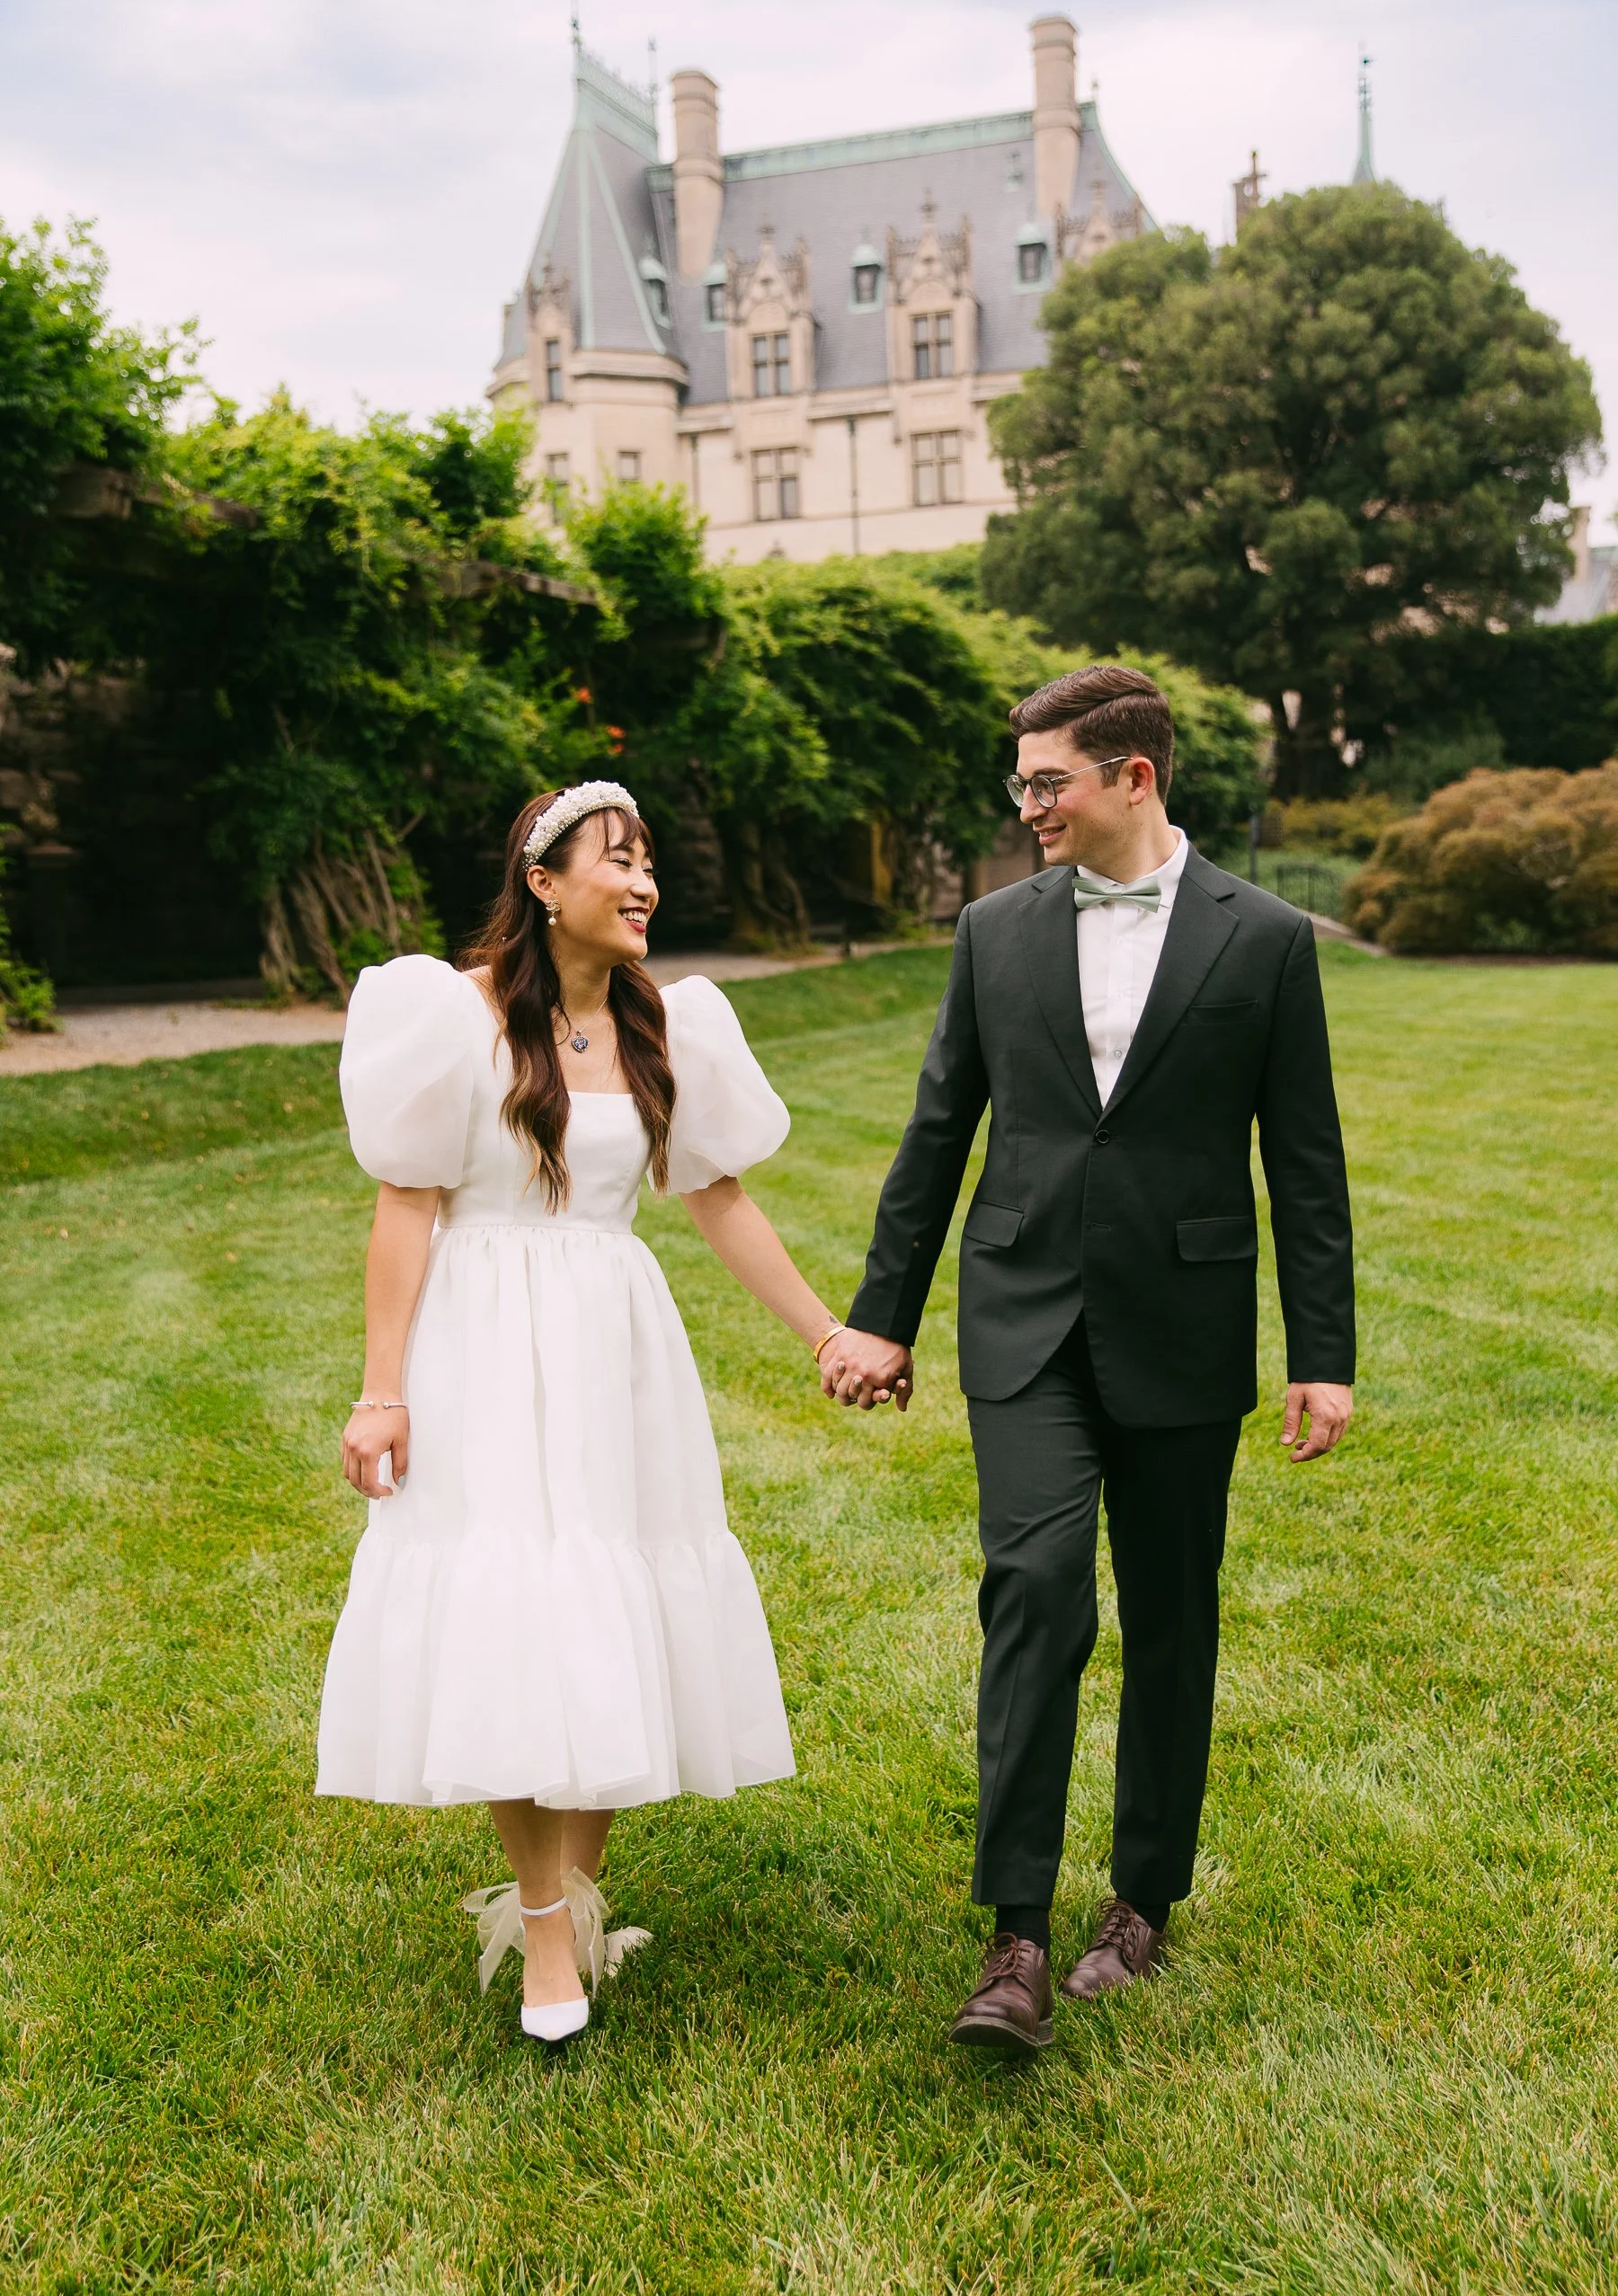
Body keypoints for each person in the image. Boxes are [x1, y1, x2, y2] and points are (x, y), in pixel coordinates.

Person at [825, 666, 1355, 2052]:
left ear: (1134, 776)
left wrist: (1324, 1351)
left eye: (1047, 780)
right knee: (1040, 1588)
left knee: (1173, 1615)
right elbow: (940, 1127)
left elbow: (1304, 1162)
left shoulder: (1265, 939)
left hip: (1183, 1325)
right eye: (1021, 782)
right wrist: (884, 1312)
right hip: (1025, 1314)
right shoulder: (994, 930)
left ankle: (1142, 1902)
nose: (1027, 805)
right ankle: (1015, 1939)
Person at [316, 781, 851, 2047]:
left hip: (617, 1350)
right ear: (543, 885)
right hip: (485, 1345)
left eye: (652, 860)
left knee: (611, 1607)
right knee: (517, 1611)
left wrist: (824, 1332)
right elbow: (408, 1207)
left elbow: (718, 1199)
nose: (646, 881)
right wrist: (382, 1389)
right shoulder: (457, 1022)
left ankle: (574, 1892)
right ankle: (546, 1928)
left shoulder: (668, 1028)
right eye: (618, 860)